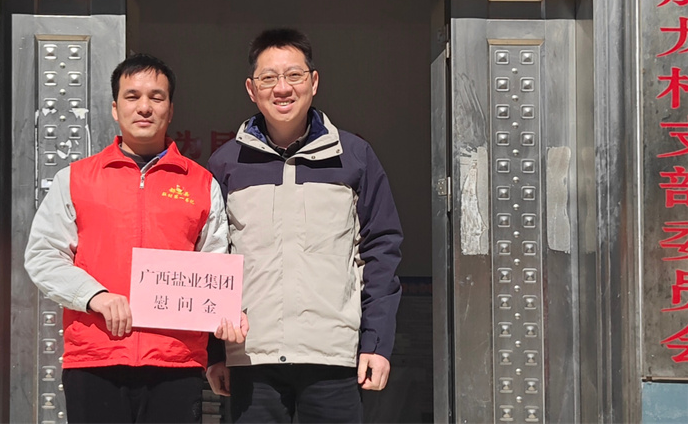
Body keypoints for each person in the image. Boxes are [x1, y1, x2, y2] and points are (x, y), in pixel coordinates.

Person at [24, 53, 244, 424]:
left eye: (156, 97)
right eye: (132, 96)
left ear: (170, 110)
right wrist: (94, 296)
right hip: (95, 359)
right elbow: (43, 255)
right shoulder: (76, 179)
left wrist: (222, 322)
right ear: (115, 108)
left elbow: (215, 264)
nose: (144, 107)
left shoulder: (200, 183)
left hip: (176, 361)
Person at [206, 29, 404, 423]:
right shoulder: (226, 164)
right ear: (251, 89)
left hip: (333, 356)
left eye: (294, 75)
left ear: (314, 82)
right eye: (268, 78)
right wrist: (215, 353)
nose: (282, 88)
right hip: (251, 356)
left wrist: (376, 343)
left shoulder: (354, 157)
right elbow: (211, 257)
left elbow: (380, 251)